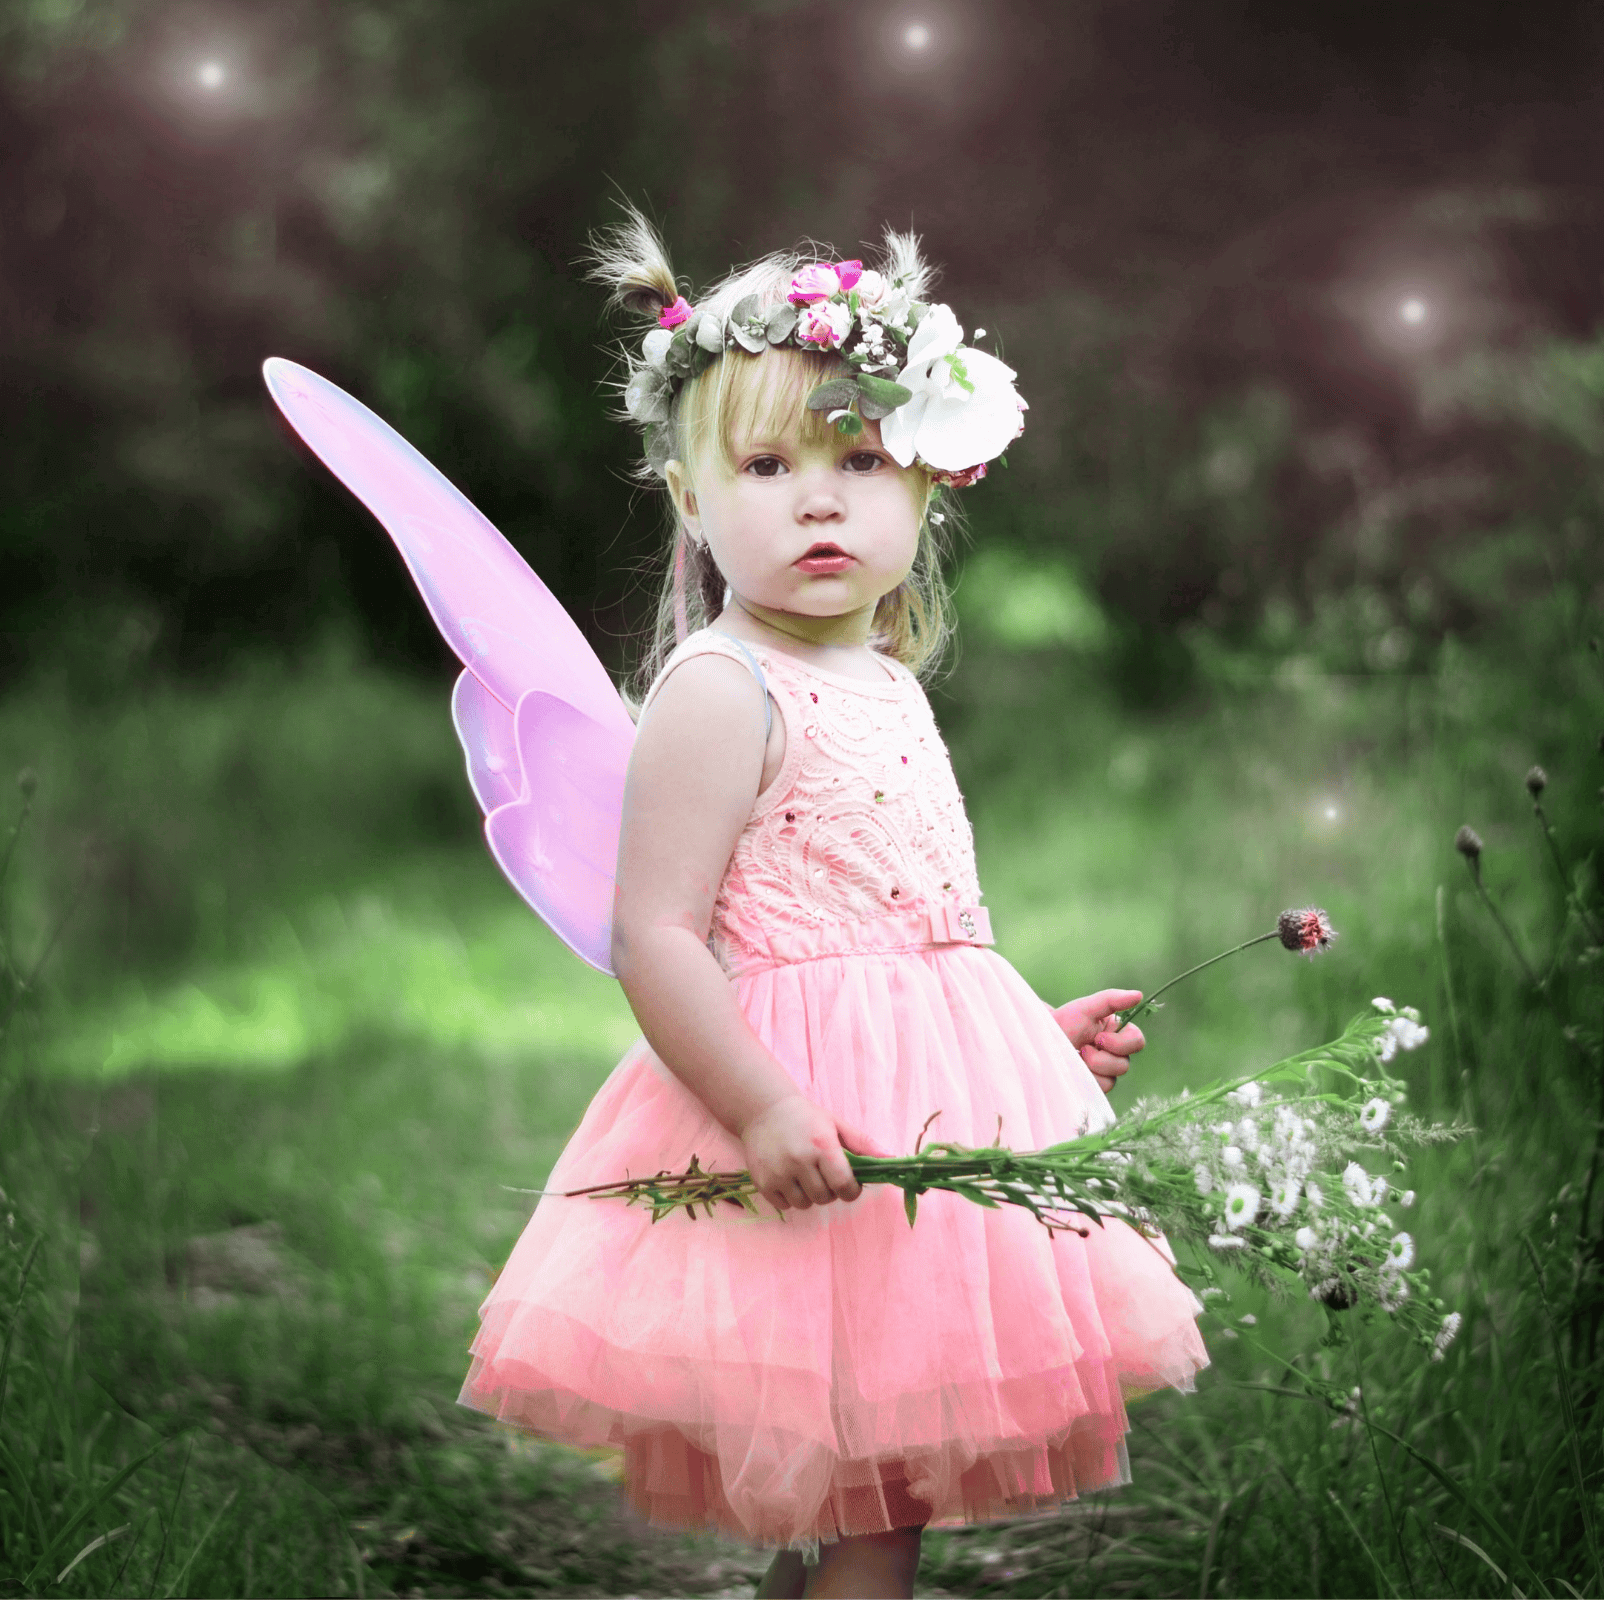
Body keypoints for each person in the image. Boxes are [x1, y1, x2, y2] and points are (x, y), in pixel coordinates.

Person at [458, 212, 1208, 1599]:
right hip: (804, 1117)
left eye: (859, 458)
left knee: (878, 1489)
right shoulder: (719, 691)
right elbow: (658, 933)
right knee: (862, 1492)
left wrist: (1030, 1043)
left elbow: (900, 927)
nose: (819, 497)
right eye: (767, 464)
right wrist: (757, 1105)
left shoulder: (889, 683)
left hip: (916, 1115)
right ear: (690, 503)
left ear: (928, 484)